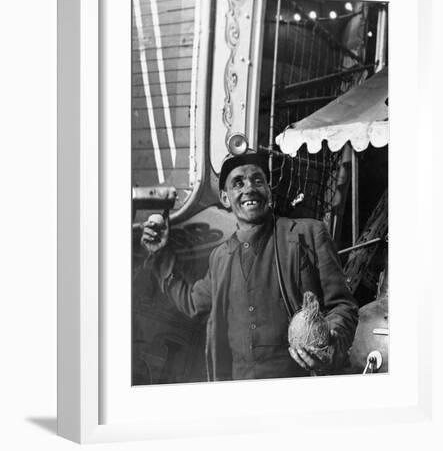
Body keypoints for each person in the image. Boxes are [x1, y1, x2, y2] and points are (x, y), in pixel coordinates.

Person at [141, 150, 358, 381]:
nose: (249, 188)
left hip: (299, 384)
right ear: (225, 198)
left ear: (268, 190)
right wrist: (160, 254)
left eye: (257, 180)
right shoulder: (219, 258)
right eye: (238, 183)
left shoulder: (309, 233)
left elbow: (343, 306)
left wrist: (330, 346)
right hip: (239, 391)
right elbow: (193, 303)